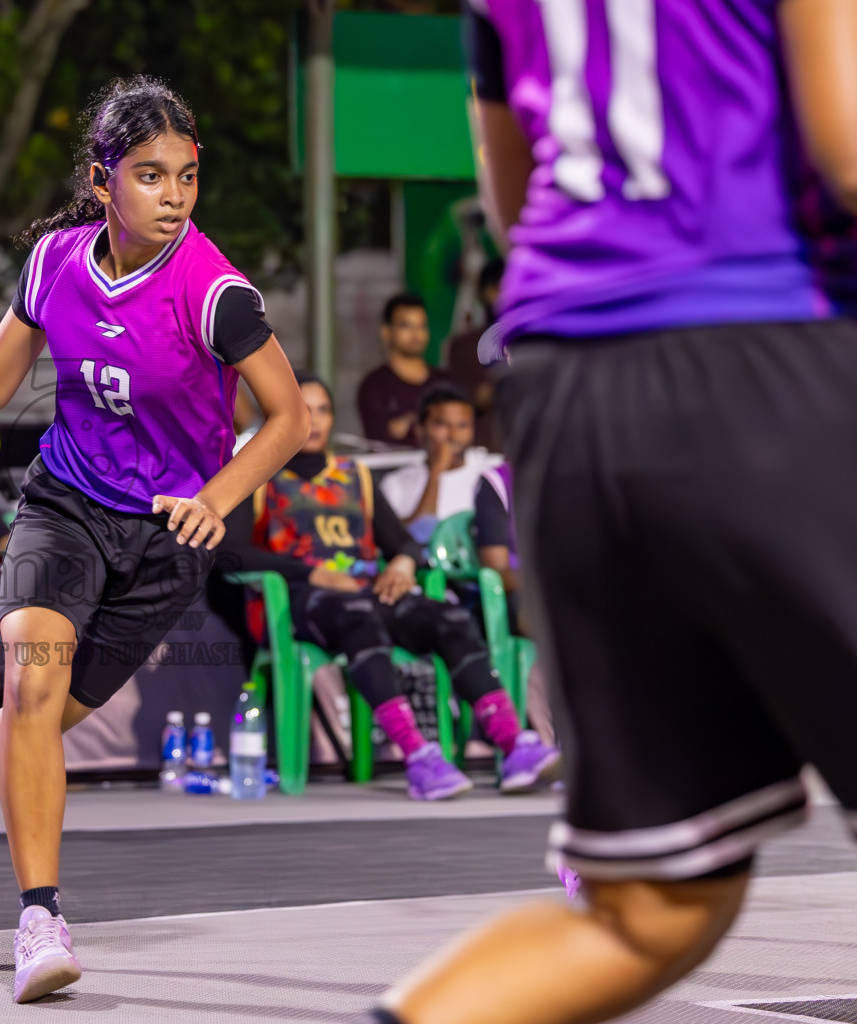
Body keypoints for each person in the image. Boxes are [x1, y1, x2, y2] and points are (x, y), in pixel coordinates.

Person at [372, 4, 857, 1024]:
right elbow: (846, 147)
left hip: (565, 393)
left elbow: (512, 204)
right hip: (764, 352)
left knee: (651, 908)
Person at [0, 77, 309, 1004]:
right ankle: (39, 917)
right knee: (32, 680)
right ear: (104, 182)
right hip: (64, 502)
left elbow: (289, 418)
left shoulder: (217, 293)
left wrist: (219, 496)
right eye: (149, 175)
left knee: (44, 721)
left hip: (171, 531)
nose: (172, 195)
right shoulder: (55, 261)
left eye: (184, 176)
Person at [216, 372, 557, 799]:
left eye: (322, 410)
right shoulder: (259, 477)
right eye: (303, 410)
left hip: (367, 593)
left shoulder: (355, 476)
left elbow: (405, 543)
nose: (314, 421)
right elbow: (230, 553)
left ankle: (513, 745)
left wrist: (401, 562)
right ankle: (419, 757)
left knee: (447, 617)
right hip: (302, 603)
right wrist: (310, 573)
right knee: (358, 616)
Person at [378, 386, 503, 544]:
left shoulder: (491, 476)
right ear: (420, 429)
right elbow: (412, 538)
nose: (453, 435)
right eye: (442, 425)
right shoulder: (396, 483)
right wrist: (437, 472)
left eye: (463, 425)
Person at [355, 293, 452, 446]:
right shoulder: (374, 385)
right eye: (405, 325)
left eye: (421, 326)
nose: (416, 334)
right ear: (386, 332)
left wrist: (409, 424)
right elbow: (380, 440)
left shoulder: (445, 381)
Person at [441, 259, 504, 451]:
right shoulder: (464, 346)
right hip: (483, 456)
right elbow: (461, 399)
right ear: (485, 293)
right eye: (498, 289)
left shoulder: (536, 343)